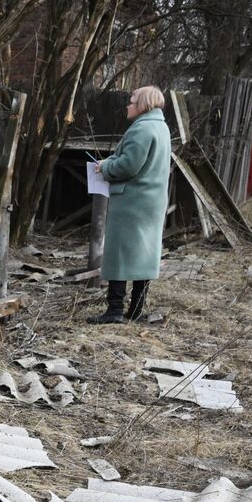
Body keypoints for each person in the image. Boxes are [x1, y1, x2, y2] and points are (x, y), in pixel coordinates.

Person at [89, 86, 172, 324]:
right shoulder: (161, 127)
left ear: (144, 105)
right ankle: (135, 310)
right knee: (144, 255)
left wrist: (105, 167)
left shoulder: (142, 129)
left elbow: (129, 166)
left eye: (132, 101)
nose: (128, 105)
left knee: (119, 254)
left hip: (132, 202)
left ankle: (115, 310)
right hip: (152, 201)